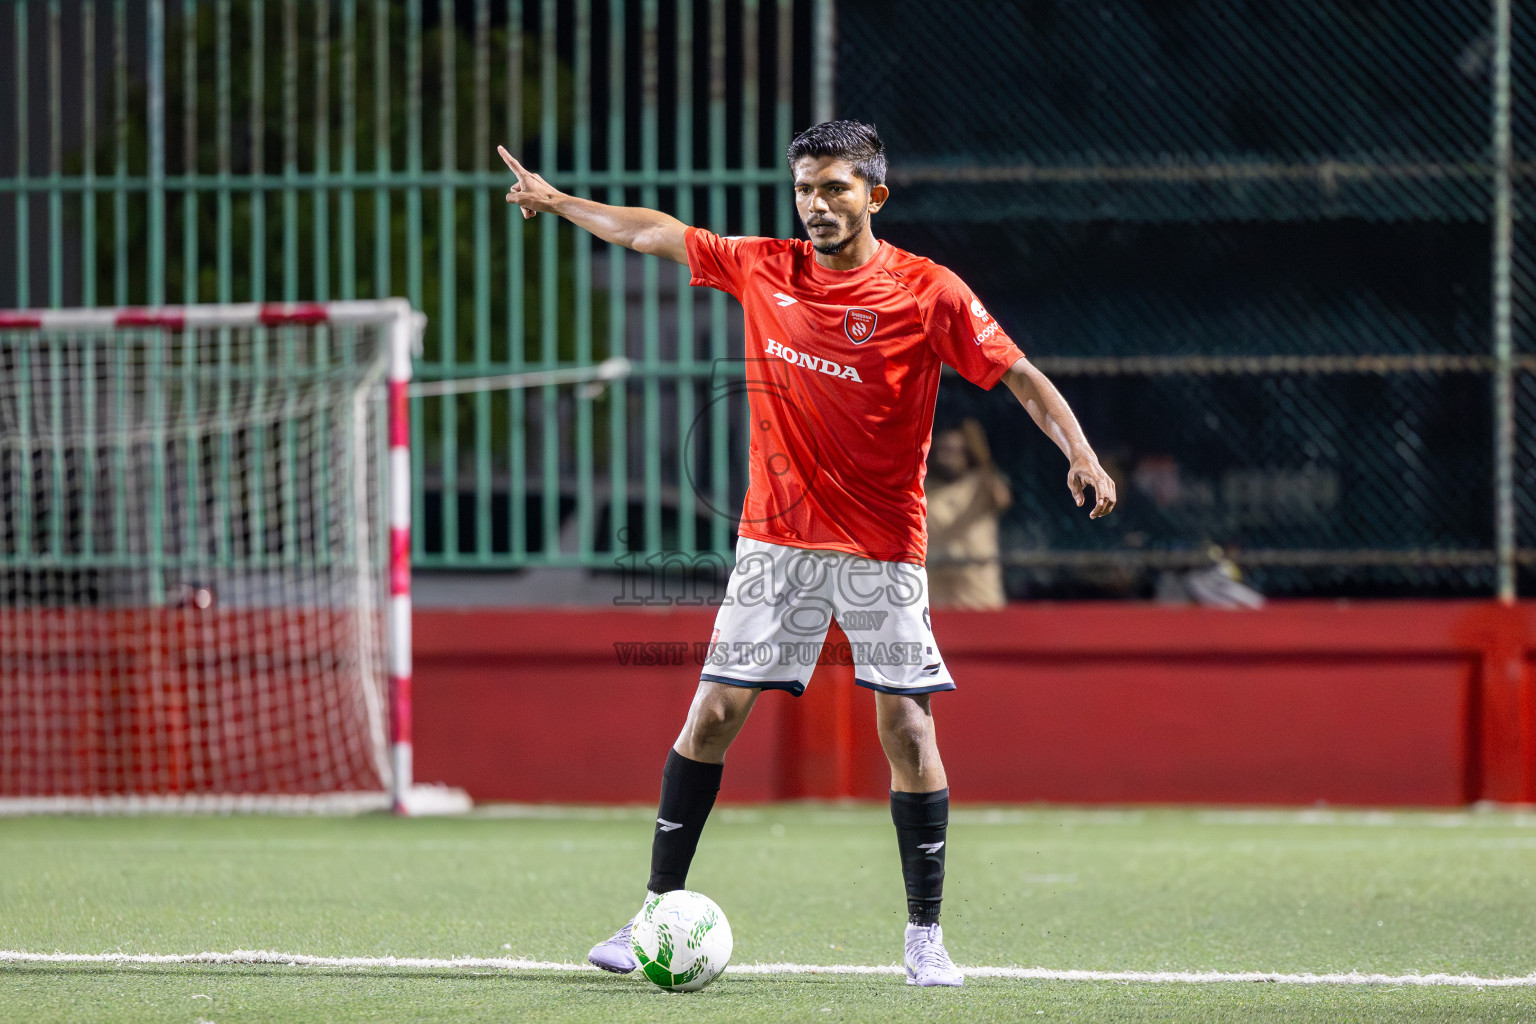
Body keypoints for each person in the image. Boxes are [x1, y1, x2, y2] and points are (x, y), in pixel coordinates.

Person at [497, 120, 1116, 988]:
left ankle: (925, 940)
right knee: (712, 718)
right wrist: (560, 202)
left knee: (906, 728)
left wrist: (1079, 452)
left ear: (875, 195)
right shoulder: (763, 267)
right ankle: (651, 912)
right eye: (804, 190)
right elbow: (655, 230)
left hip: (881, 548)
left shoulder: (926, 292)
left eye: (834, 188)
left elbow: (1017, 373)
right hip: (774, 542)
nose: (816, 205)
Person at [926, 419, 1013, 611]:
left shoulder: (979, 484)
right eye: (943, 449)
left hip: (981, 595)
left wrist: (982, 453)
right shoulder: (922, 490)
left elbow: (1002, 498)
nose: (947, 456)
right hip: (938, 598)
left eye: (955, 450)